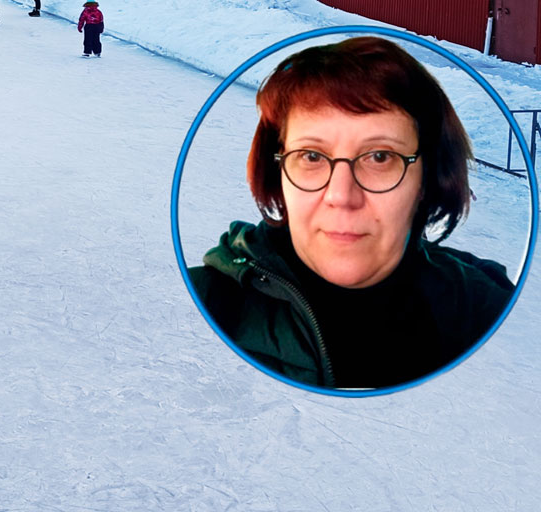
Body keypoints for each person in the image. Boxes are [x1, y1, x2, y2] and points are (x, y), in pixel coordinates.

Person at [186, 37, 515, 390]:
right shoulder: (202, 304)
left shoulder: (484, 310)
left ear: (427, 179)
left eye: (380, 157)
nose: (342, 195)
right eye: (311, 156)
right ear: (279, 174)